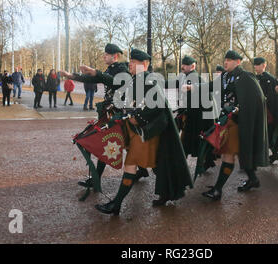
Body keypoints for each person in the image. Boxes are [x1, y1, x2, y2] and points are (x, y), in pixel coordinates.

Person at [61, 48, 193, 215]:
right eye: (130, 61)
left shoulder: (148, 79)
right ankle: (169, 191)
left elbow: (159, 105)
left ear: (144, 65)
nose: (130, 64)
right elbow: (117, 87)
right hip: (139, 130)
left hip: (146, 132)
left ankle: (116, 205)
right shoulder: (135, 78)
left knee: (131, 164)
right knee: (155, 163)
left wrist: (137, 117)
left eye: (134, 62)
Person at [68, 44, 147, 189]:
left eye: (106, 54)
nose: (104, 56)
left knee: (110, 143)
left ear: (114, 56)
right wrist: (72, 76)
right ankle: (141, 171)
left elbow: (113, 82)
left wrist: (96, 72)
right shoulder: (111, 69)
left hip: (120, 113)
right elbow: (93, 79)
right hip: (112, 111)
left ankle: (97, 179)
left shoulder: (122, 70)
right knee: (116, 144)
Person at [197, 50, 269, 200]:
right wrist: (195, 88)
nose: (226, 62)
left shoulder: (245, 77)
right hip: (228, 120)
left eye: (229, 60)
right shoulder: (224, 76)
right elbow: (212, 85)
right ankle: (253, 179)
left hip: (238, 122)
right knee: (235, 153)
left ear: (238, 62)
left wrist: (239, 109)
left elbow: (256, 99)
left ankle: (217, 190)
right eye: (225, 59)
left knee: (228, 154)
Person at [165, 55, 215, 164]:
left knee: (188, 143)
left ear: (192, 66)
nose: (182, 66)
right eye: (182, 64)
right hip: (189, 115)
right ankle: (203, 162)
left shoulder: (195, 78)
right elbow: (173, 83)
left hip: (196, 117)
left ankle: (183, 165)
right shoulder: (184, 77)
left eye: (185, 65)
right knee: (186, 143)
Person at [253, 57, 278, 164]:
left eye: (258, 64)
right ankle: (272, 155)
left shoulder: (270, 79)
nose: (255, 66)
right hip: (260, 111)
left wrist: (277, 114)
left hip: (270, 112)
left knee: (269, 134)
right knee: (264, 134)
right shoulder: (255, 78)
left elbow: (276, 98)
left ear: (264, 65)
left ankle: (270, 155)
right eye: (255, 65)